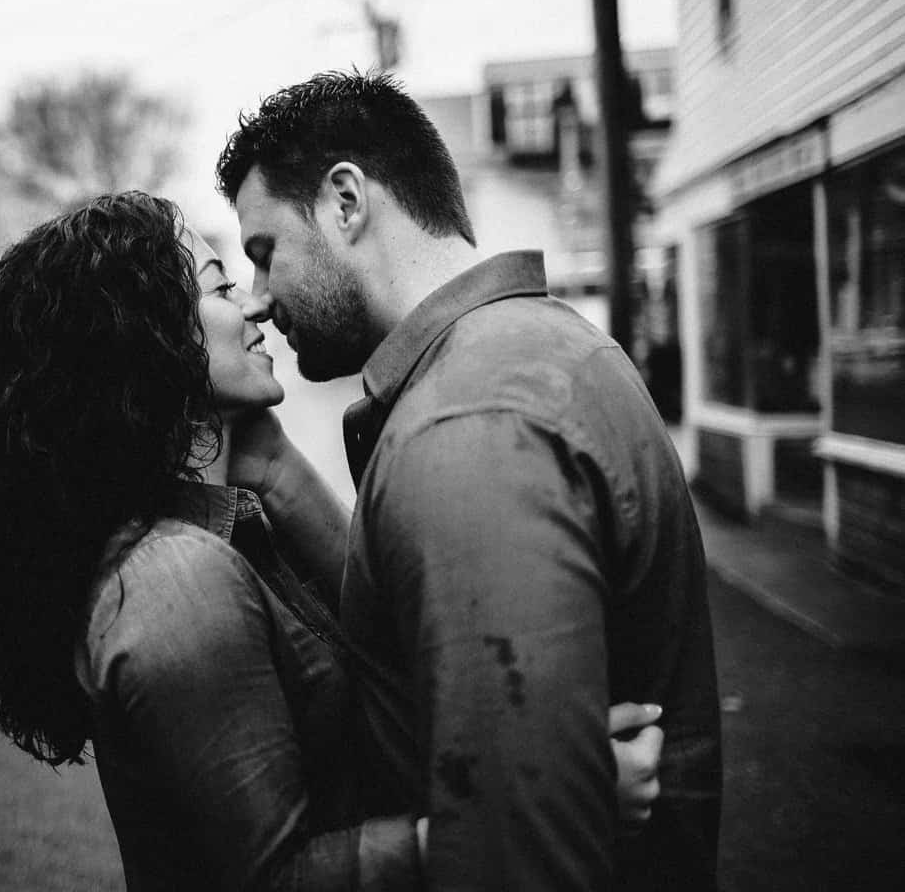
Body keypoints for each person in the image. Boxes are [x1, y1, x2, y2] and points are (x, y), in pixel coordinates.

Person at [0, 192, 666, 890]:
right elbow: (273, 878)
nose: (254, 303)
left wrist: (276, 469)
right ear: (144, 337)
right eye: (220, 287)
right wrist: (540, 814)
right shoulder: (177, 581)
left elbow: (382, 642)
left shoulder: (221, 528)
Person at [214, 71, 722, 891]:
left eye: (265, 253)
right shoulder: (537, 348)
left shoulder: (469, 424)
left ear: (346, 201)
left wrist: (532, 792)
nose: (262, 300)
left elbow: (519, 861)